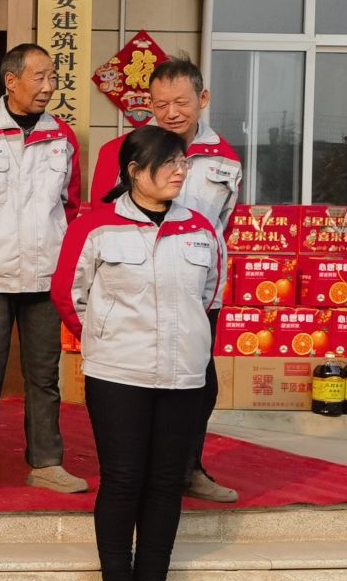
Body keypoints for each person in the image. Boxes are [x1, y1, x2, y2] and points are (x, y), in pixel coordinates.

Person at [54, 124, 221, 581]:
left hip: (183, 374)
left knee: (167, 480)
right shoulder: (96, 227)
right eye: (168, 163)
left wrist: (185, 340)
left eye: (182, 162)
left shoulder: (200, 228)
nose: (179, 171)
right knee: (124, 478)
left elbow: (210, 295)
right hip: (118, 373)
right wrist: (107, 337)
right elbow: (68, 293)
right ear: (134, 170)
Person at [88, 58, 244, 504]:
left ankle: (188, 468)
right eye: (160, 104)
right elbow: (98, 224)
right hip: (134, 291)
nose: (171, 113)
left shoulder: (225, 158)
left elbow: (224, 225)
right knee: (134, 390)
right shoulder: (124, 150)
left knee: (199, 384)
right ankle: (132, 472)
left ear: (203, 99)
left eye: (181, 102)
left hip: (195, 292)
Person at [0, 43, 88, 497]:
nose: (49, 86)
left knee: (44, 376)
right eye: (39, 77)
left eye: (52, 76)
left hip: (45, 278)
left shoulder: (62, 137)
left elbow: (71, 208)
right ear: (11, 81)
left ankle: (46, 462)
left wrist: (69, 273)